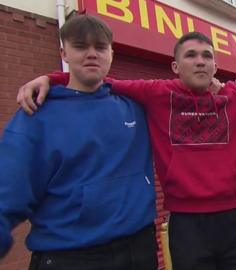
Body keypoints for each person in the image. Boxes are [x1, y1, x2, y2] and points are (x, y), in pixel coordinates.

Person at [18, 31, 236, 270]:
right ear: (175, 65)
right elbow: (100, 80)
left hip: (234, 221)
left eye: (207, 56)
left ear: (215, 65)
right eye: (191, 55)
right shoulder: (156, 93)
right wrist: (51, 78)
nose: (200, 61)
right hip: (185, 225)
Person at [0, 15, 158, 270]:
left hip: (139, 249)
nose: (92, 54)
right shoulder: (36, 115)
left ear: (112, 54)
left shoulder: (134, 106)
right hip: (70, 256)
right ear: (64, 52)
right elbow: (7, 192)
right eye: (81, 47)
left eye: (100, 47)